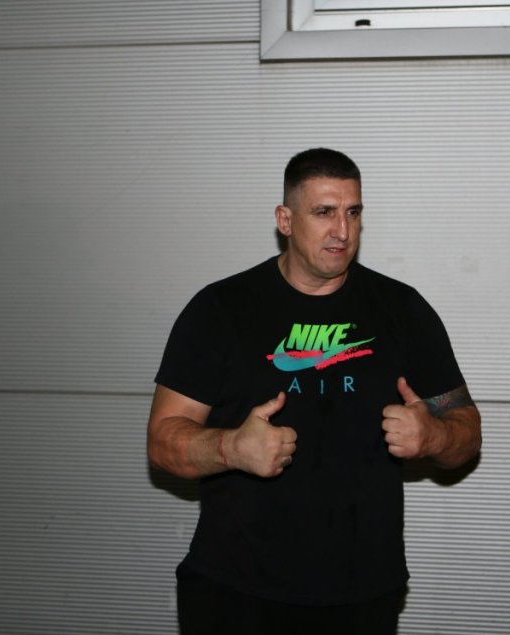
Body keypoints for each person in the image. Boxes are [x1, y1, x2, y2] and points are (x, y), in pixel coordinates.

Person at [147, 148, 481, 635]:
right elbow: (162, 441)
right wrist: (230, 448)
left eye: (353, 212)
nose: (342, 231)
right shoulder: (221, 310)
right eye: (324, 212)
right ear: (285, 220)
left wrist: (434, 436)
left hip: (361, 595)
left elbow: (467, 430)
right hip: (235, 591)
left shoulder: (402, 311)